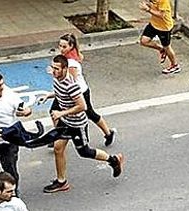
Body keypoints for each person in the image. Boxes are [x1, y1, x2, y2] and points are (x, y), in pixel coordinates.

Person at [39, 55, 125, 194]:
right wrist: (48, 96)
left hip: (77, 124)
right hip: (65, 121)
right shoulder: (57, 79)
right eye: (52, 68)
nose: (53, 71)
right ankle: (61, 181)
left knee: (84, 152)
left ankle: (113, 160)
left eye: (56, 69)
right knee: (58, 148)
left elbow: (82, 106)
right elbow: (60, 92)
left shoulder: (71, 85)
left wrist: (61, 113)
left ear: (65, 69)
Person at [56, 33, 117, 146]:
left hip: (79, 92)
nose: (61, 49)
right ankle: (58, 136)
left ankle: (108, 133)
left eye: (64, 47)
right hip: (74, 91)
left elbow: (72, 82)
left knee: (89, 113)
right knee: (55, 111)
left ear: (71, 46)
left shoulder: (71, 63)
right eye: (60, 46)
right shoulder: (73, 56)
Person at [139, 0, 180, 74]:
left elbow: (161, 15)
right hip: (154, 24)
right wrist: (147, 4)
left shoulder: (163, 1)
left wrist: (148, 9)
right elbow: (152, 4)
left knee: (167, 47)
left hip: (164, 27)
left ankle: (175, 65)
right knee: (144, 41)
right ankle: (161, 49)